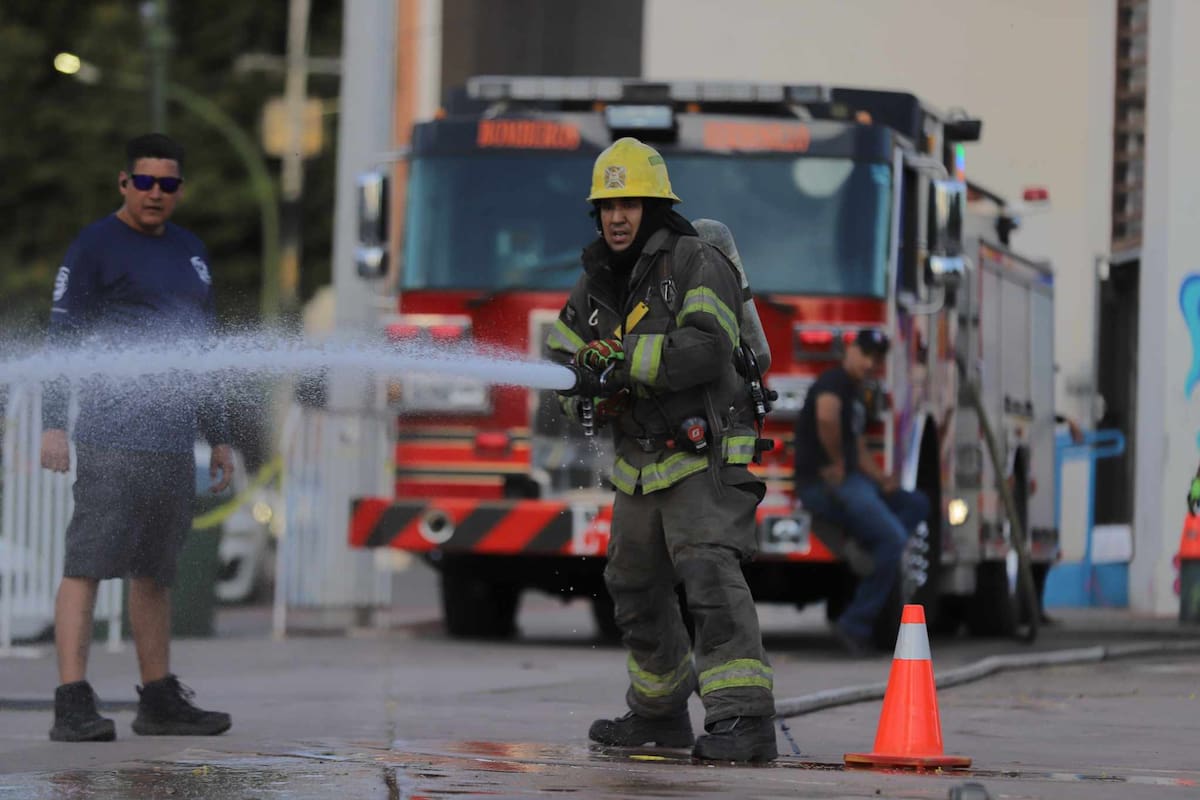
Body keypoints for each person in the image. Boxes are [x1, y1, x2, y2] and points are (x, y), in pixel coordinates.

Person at [548, 137, 777, 763]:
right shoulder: (596, 280)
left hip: (701, 454)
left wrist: (620, 362)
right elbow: (560, 364)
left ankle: (744, 720)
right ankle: (659, 712)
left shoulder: (695, 261)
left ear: (653, 207)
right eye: (606, 207)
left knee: (707, 573)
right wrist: (584, 391)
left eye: (629, 205)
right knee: (632, 584)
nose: (616, 218)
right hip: (639, 464)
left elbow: (707, 348)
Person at [40, 133, 234, 742]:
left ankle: (158, 701)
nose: (155, 193)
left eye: (167, 184)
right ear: (123, 183)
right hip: (110, 434)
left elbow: (202, 352)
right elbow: (60, 340)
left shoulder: (190, 251)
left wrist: (218, 435)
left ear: (179, 189)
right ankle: (72, 703)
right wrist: (53, 423)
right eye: (144, 182)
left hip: (172, 442)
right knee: (87, 565)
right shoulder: (94, 246)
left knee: (155, 572)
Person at [793, 329, 930, 656]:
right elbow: (826, 416)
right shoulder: (833, 381)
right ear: (851, 350)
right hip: (823, 485)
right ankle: (854, 624)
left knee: (916, 503)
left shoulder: (855, 392)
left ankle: (869, 548)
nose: (870, 363)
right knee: (893, 541)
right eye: (866, 354)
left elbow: (856, 444)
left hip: (854, 482)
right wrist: (836, 462)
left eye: (877, 359)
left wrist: (882, 479)